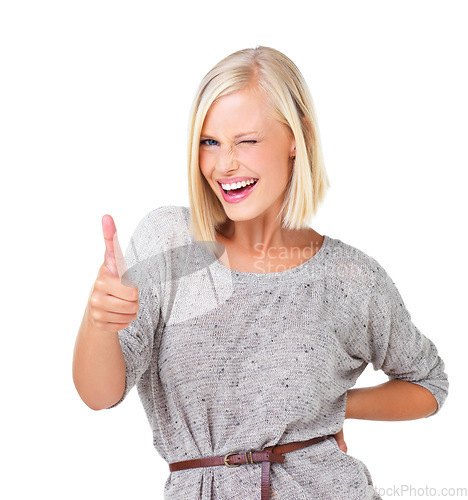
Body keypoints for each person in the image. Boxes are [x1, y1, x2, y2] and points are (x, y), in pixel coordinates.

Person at [72, 46, 449, 499]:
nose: (224, 163)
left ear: (296, 138)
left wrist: (336, 406)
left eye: (246, 141)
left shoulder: (351, 278)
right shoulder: (169, 241)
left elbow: (428, 383)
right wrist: (99, 323)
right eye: (209, 142)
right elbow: (99, 395)